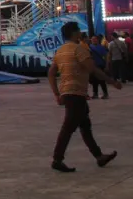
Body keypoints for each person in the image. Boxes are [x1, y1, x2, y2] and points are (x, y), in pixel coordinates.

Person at [48, 21, 122, 172]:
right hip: (75, 93)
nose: (80, 33)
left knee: (85, 126)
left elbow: (51, 73)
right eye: (78, 31)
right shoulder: (79, 49)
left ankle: (99, 156)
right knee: (68, 127)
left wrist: (56, 93)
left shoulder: (60, 51)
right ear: (74, 33)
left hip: (70, 93)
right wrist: (112, 81)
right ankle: (57, 159)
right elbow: (92, 69)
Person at [88, 35, 109, 100]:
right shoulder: (89, 47)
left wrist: (107, 65)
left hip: (100, 66)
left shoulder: (101, 47)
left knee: (102, 80)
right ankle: (95, 93)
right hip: (93, 67)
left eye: (95, 39)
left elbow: (106, 57)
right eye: (92, 39)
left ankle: (105, 93)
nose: (94, 40)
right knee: (94, 81)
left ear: (98, 40)